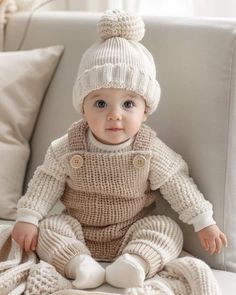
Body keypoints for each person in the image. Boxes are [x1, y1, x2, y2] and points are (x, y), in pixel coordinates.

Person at [11, 9, 227, 290]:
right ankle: (79, 264)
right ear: (83, 109)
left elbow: (177, 184)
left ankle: (134, 264)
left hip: (132, 231)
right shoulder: (68, 146)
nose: (115, 115)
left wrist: (203, 221)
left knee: (167, 229)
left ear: (145, 111)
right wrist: (27, 217)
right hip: (78, 230)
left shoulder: (149, 149)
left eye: (128, 104)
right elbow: (45, 183)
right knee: (50, 228)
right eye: (101, 104)